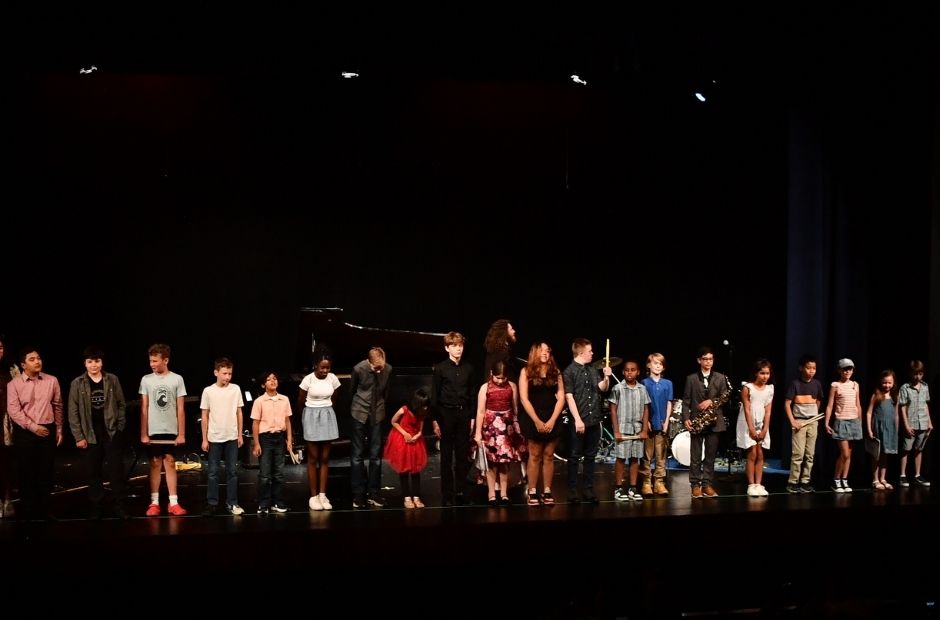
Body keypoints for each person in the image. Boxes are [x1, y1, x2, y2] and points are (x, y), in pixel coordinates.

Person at [67, 346, 128, 519]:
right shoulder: (77, 383)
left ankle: (119, 506)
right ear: (85, 363)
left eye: (97, 361)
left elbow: (121, 404)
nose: (94, 365)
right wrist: (79, 436)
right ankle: (97, 507)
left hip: (111, 432)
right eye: (90, 361)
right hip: (90, 433)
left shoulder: (112, 379)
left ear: (102, 362)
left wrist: (119, 427)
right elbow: (73, 412)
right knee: (93, 472)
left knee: (116, 471)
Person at [6, 346, 63, 521]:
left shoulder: (51, 380)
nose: (37, 361)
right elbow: (14, 411)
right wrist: (33, 427)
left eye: (38, 358)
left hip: (47, 430)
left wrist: (59, 429)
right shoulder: (13, 384)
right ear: (23, 365)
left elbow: (58, 405)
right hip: (25, 432)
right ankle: (28, 512)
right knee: (27, 473)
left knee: (46, 473)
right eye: (32, 359)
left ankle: (44, 510)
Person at [139, 343, 188, 516]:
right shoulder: (146, 380)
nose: (152, 364)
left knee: (170, 462)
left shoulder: (177, 379)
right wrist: (144, 433)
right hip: (153, 429)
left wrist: (181, 433)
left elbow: (180, 408)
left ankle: (173, 502)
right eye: (150, 361)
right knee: (155, 463)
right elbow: (144, 407)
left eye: (155, 361)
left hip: (171, 429)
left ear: (165, 360)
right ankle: (154, 502)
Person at [563, 338, 613, 504]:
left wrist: (606, 378)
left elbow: (602, 388)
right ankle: (572, 491)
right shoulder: (569, 371)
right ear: (580, 352)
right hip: (579, 420)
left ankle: (588, 490)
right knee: (574, 457)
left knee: (591, 457)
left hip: (594, 420)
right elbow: (569, 397)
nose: (592, 353)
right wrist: (578, 420)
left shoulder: (592, 369)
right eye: (589, 351)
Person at [431, 331, 476, 506]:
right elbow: (435, 395)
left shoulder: (469, 368)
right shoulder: (440, 368)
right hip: (446, 414)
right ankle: (447, 494)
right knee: (446, 456)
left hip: (463, 414)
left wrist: (472, 417)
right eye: (454, 346)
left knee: (462, 455)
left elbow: (472, 394)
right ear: (447, 348)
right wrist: (435, 420)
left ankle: (461, 491)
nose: (458, 349)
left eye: (460, 345)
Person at [518, 341, 565, 506]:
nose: (545, 353)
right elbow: (523, 398)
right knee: (535, 455)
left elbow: (561, 397)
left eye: (547, 350)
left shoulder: (555, 372)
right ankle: (532, 491)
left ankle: (547, 490)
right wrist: (537, 421)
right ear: (534, 353)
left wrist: (552, 420)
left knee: (549, 455)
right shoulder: (526, 371)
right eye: (541, 350)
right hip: (533, 417)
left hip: (552, 416)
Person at [474, 360, 525, 506]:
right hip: (490, 428)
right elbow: (480, 411)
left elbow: (515, 409)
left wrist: (516, 429)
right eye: (498, 378)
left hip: (506, 427)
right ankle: (491, 493)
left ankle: (504, 493)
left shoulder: (512, 386)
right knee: (492, 462)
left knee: (505, 462)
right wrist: (478, 433)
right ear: (491, 374)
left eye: (503, 378)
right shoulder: (485, 388)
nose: (501, 381)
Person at [681, 346, 730, 498]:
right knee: (695, 456)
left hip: (714, 422)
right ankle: (695, 485)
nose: (708, 362)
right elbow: (686, 401)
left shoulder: (720, 377)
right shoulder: (691, 378)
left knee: (710, 456)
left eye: (711, 359)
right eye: (705, 359)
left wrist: (711, 401)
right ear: (699, 360)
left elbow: (725, 398)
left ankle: (707, 484)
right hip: (698, 421)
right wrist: (686, 418)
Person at [199, 357, 245, 516]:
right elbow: (204, 415)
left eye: (230, 374)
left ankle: (232, 503)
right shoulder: (208, 391)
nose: (227, 377)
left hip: (231, 436)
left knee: (232, 471)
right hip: (214, 437)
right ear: (216, 373)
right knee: (213, 472)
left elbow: (239, 412)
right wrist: (204, 438)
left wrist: (240, 434)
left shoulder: (236, 389)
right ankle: (212, 503)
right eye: (224, 373)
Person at [349, 347, 392, 509]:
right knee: (357, 455)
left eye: (381, 367)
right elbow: (352, 390)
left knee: (375, 456)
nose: (379, 371)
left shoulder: (388, 369)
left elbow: (386, 392)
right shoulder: (358, 369)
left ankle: (374, 493)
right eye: (376, 368)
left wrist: (380, 407)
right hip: (359, 411)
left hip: (377, 412)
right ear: (369, 362)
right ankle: (358, 494)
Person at [298, 351, 341, 511]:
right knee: (313, 457)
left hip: (327, 415)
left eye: (328, 368)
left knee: (324, 458)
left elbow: (335, 397)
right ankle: (313, 496)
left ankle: (323, 495)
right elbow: (300, 401)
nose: (325, 371)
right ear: (315, 365)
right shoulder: (308, 380)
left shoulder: (333, 379)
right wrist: (306, 418)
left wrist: (327, 411)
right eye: (322, 367)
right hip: (311, 415)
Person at [250, 370, 293, 515]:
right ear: (263, 385)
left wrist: (289, 439)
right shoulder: (259, 401)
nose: (273, 381)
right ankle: (263, 503)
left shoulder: (284, 399)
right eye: (269, 379)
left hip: (279, 437)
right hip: (265, 439)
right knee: (265, 474)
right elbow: (255, 423)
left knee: (279, 473)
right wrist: (256, 443)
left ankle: (277, 501)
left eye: (274, 378)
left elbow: (287, 421)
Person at [608, 359, 650, 501]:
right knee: (621, 458)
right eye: (627, 370)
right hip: (623, 429)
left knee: (635, 458)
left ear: (638, 372)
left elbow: (646, 409)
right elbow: (613, 410)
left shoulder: (642, 389)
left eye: (633, 370)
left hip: (637, 429)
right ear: (623, 372)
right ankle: (618, 488)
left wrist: (644, 430)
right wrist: (616, 431)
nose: (629, 373)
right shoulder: (617, 388)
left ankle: (633, 487)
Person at [783, 354, 825, 493]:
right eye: (808, 368)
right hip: (799, 421)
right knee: (798, 454)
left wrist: (813, 415)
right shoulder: (795, 384)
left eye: (814, 368)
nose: (811, 371)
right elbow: (787, 404)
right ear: (801, 368)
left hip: (813, 421)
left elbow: (818, 401)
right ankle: (793, 482)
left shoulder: (817, 384)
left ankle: (805, 481)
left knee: (810, 454)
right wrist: (793, 421)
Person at [384, 388, 430, 508]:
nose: (426, 408)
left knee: (416, 470)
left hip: (415, 441)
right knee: (404, 469)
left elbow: (420, 429)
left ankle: (416, 497)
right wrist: (405, 434)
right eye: (424, 405)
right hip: (403, 441)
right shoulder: (404, 409)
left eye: (426, 405)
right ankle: (407, 497)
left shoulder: (422, 413)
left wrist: (417, 435)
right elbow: (393, 421)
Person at [824, 358, 863, 493]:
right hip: (841, 421)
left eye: (850, 369)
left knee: (849, 454)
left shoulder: (855, 385)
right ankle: (836, 480)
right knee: (844, 453)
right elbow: (830, 405)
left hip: (854, 421)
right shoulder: (835, 385)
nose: (848, 371)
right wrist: (827, 422)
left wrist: (860, 421)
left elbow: (858, 404)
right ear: (839, 370)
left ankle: (844, 479)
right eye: (845, 369)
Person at [736, 359, 774, 497]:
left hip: (761, 423)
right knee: (752, 453)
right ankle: (751, 485)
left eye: (767, 373)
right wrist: (751, 428)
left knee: (760, 454)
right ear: (756, 373)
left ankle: (759, 484)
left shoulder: (769, 389)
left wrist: (765, 429)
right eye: (762, 373)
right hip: (748, 422)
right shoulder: (748, 388)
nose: (765, 376)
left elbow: (768, 411)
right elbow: (747, 409)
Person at [640, 352, 673, 496]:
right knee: (647, 454)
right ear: (649, 365)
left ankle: (659, 481)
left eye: (661, 364)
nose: (658, 366)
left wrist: (666, 421)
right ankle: (646, 481)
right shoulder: (644, 383)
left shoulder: (668, 383)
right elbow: (643, 404)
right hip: (649, 422)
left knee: (661, 454)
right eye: (655, 363)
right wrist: (646, 421)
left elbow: (669, 402)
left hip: (662, 422)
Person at [898, 360, 932, 487]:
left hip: (923, 422)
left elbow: (925, 405)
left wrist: (929, 422)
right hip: (911, 424)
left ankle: (917, 475)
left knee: (919, 449)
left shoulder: (925, 386)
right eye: (915, 374)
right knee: (906, 449)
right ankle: (902, 475)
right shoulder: (905, 387)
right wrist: (906, 425)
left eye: (920, 374)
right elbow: (902, 407)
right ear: (911, 373)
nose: (917, 376)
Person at [865, 369, 898, 491]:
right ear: (880, 382)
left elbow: (896, 415)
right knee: (876, 455)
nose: (887, 385)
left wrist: (896, 430)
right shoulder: (876, 395)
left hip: (889, 429)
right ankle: (875, 479)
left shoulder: (895, 396)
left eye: (889, 383)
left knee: (885, 455)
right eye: (884, 382)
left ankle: (883, 478)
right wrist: (869, 429)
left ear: (893, 383)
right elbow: (869, 413)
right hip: (878, 428)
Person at [0, 336, 17, 519]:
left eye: (0, 347)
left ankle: (7, 498)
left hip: (6, 420)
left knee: (5, 461)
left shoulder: (12, 369)